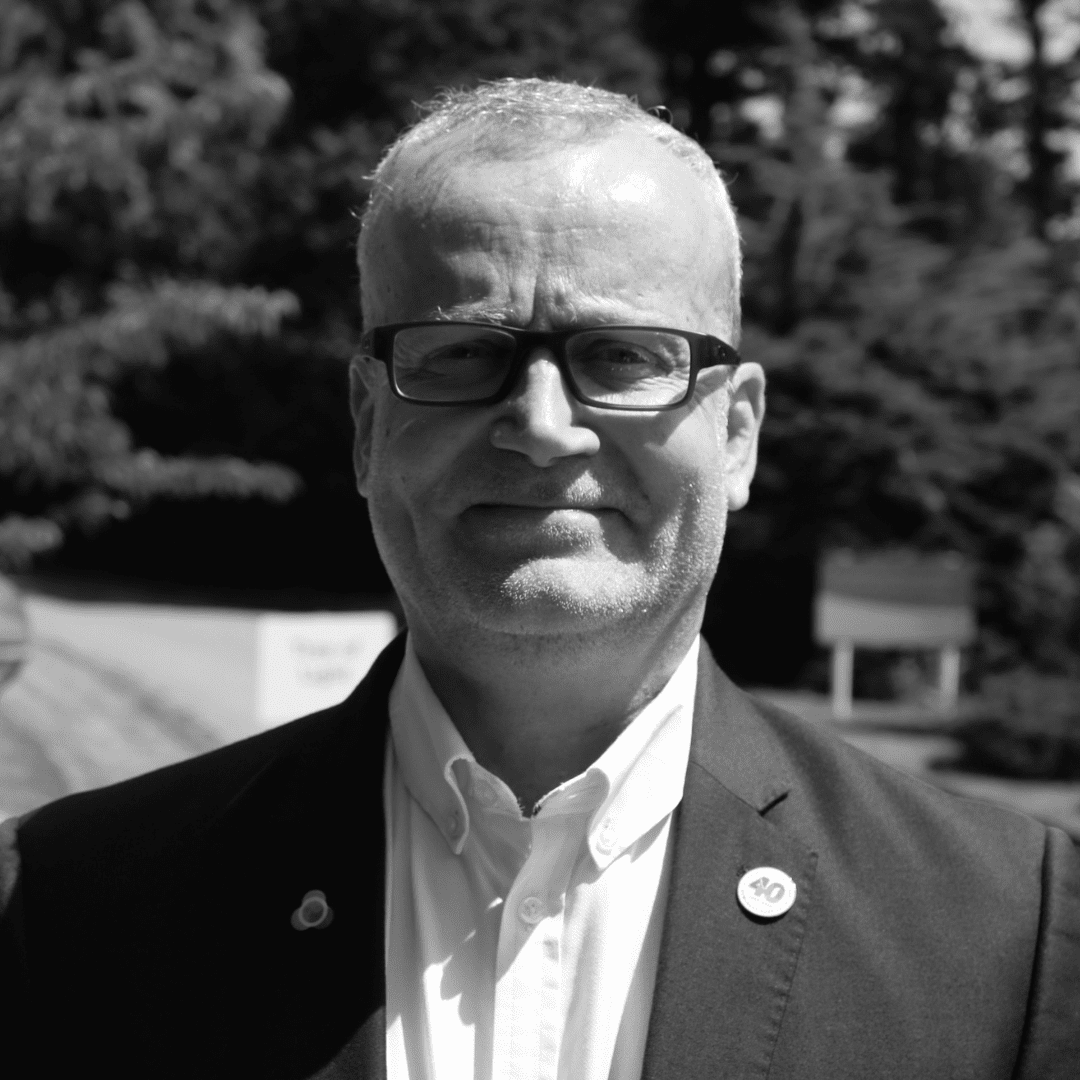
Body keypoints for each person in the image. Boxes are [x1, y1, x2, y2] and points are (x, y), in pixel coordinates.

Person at [1, 78, 1077, 1079]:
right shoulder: (66, 905)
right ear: (368, 429)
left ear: (738, 433)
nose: (543, 428)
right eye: (463, 355)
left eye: (623, 357)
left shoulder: (1005, 934)